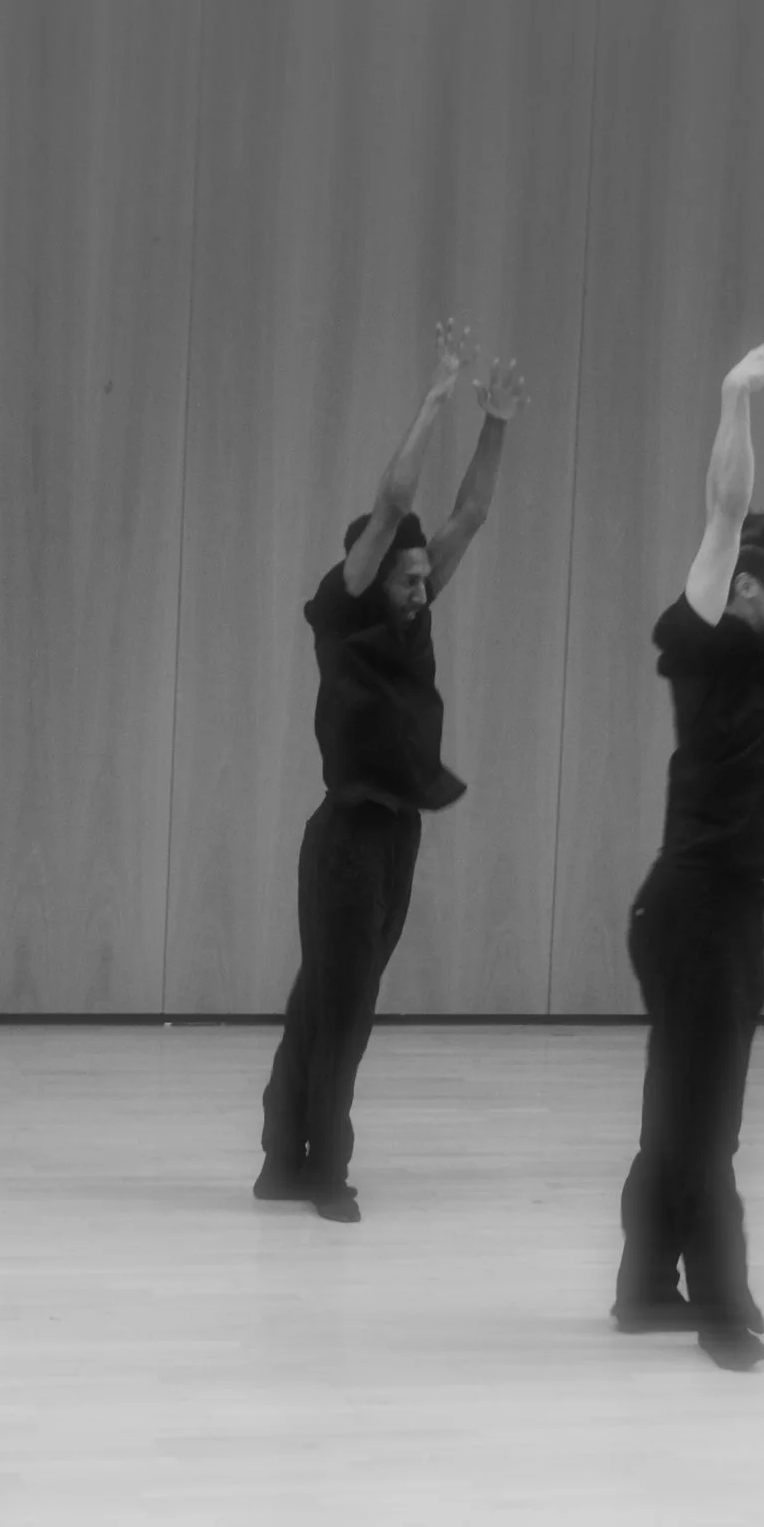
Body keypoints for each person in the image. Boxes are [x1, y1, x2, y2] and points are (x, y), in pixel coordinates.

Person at [612, 340, 764, 1368]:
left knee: (681, 1108)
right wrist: (731, 402)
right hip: (693, 909)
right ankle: (721, 1307)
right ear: (746, 588)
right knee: (705, 1118)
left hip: (721, 904)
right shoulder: (707, 637)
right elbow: (729, 515)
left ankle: (643, 1288)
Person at [256, 318, 530, 1223]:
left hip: (396, 833)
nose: (423, 589)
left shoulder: (413, 612)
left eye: (424, 578)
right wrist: (438, 392)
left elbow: (472, 515)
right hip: (343, 835)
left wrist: (495, 423)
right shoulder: (344, 610)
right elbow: (394, 503)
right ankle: (321, 1170)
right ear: (372, 574)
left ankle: (280, 1158)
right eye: (409, 578)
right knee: (348, 1010)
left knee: (326, 997)